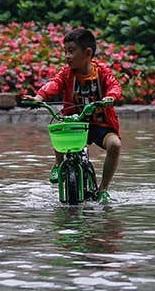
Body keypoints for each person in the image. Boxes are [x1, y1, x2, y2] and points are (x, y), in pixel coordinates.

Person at [28, 27, 123, 202]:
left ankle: (103, 189)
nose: (67, 56)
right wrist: (39, 97)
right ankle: (58, 163)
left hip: (100, 126)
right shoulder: (66, 73)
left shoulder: (102, 72)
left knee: (115, 145)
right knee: (58, 124)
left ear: (88, 53)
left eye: (71, 52)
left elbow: (114, 86)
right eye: (65, 52)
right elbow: (54, 84)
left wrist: (111, 97)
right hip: (75, 124)